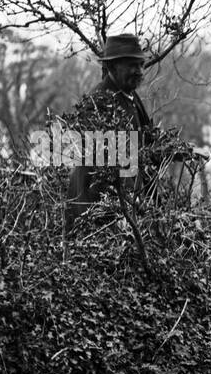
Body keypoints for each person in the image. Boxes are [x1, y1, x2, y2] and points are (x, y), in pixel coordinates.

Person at [64, 33, 191, 229]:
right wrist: (127, 205)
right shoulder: (98, 101)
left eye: (140, 65)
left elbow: (146, 141)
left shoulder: (130, 96)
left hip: (126, 203)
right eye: (132, 65)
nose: (139, 71)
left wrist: (176, 149)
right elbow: (105, 164)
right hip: (97, 206)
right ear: (113, 67)